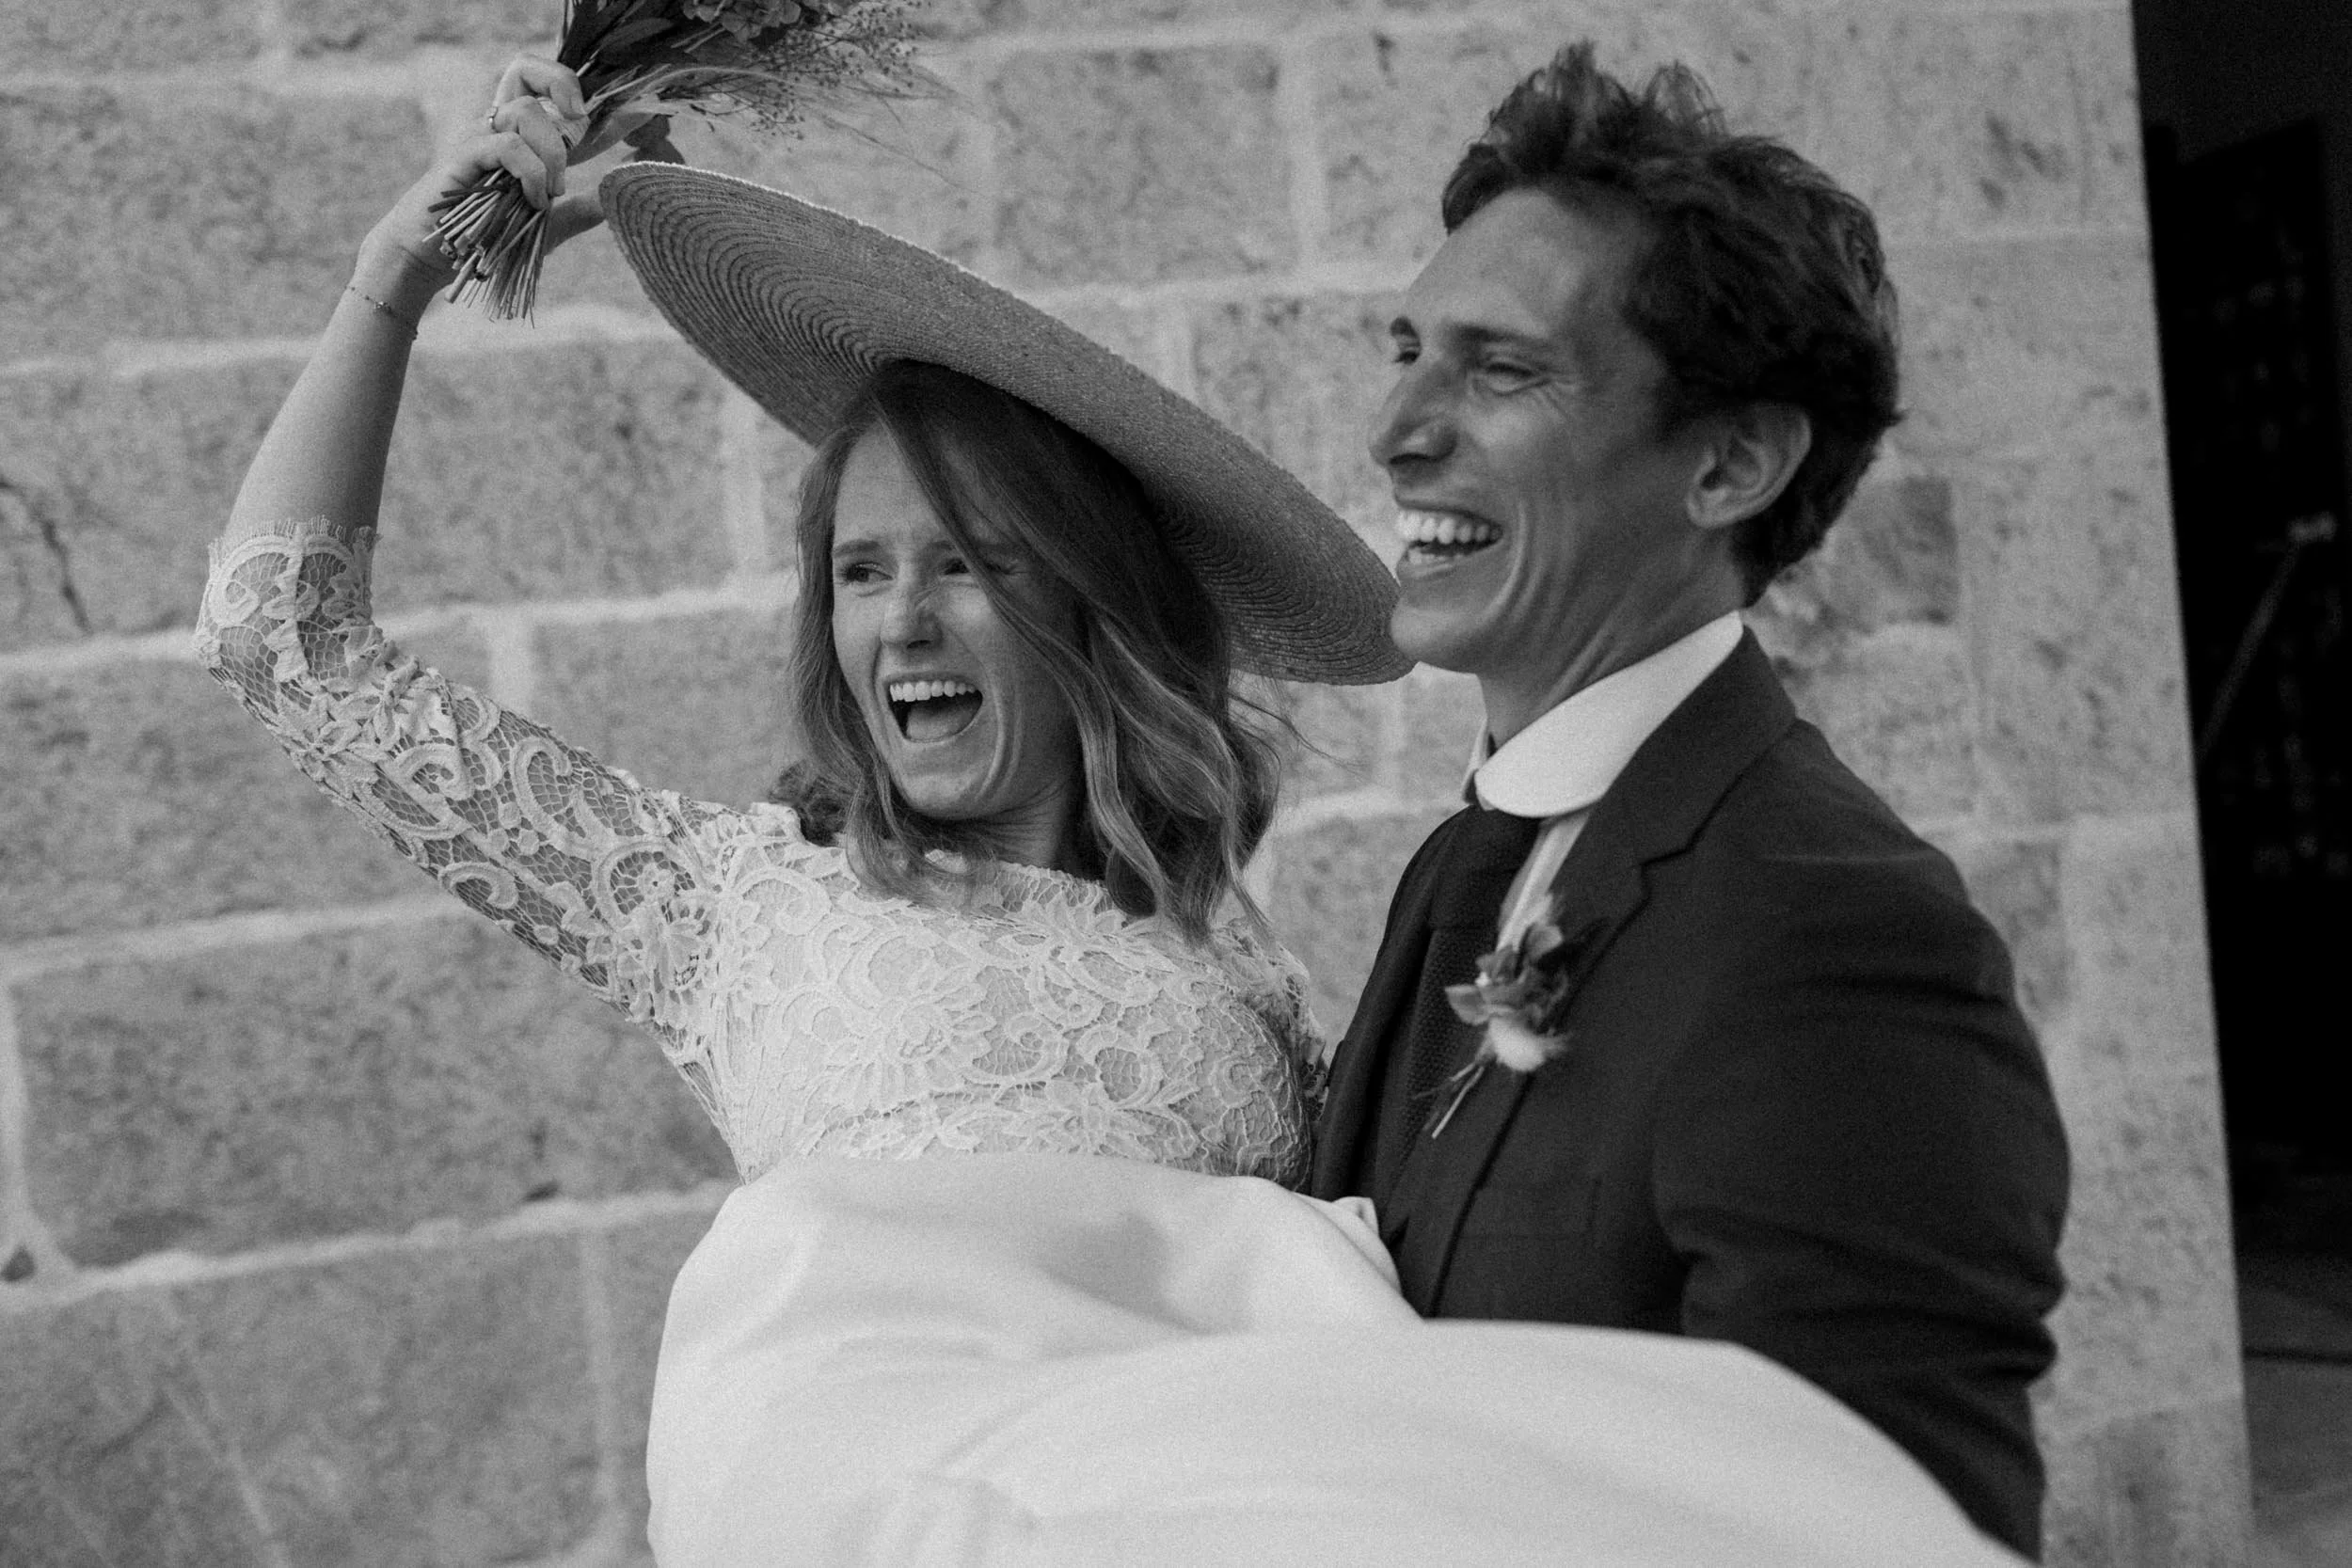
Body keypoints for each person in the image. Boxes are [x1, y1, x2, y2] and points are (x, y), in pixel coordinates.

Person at [199, 55, 1406, 1197]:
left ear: (1100, 604)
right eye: (861, 571)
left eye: (972, 563)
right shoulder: (722, 903)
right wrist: (389, 286)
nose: (905, 621)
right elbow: (283, 646)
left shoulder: (1247, 977)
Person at [1308, 42, 2072, 1560]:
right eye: (1408, 349)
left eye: (1502, 366)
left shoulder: (1838, 937)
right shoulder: (1463, 869)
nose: (1397, 429)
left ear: (1730, 460)